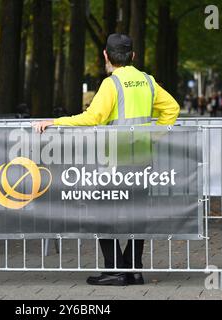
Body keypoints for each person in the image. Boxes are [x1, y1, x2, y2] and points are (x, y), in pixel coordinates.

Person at [34, 34, 180, 286]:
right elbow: (172, 109)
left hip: (114, 158)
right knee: (137, 214)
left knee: (103, 213)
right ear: (133, 56)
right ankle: (133, 269)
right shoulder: (148, 81)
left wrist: (55, 122)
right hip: (142, 156)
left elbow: (92, 117)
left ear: (106, 56)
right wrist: (152, 136)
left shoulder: (111, 84)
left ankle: (115, 269)